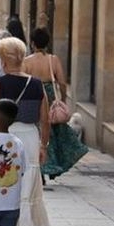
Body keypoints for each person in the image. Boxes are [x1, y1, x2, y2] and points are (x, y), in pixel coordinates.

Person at [0, 37, 50, 226]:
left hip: (6, 136)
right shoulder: (36, 84)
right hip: (30, 137)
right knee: (26, 184)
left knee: (6, 183)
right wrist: (43, 145)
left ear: (3, 60)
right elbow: (45, 118)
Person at [23, 27, 88, 180]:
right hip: (50, 97)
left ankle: (41, 166)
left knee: (37, 130)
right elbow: (62, 83)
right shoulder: (53, 60)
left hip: (34, 95)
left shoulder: (27, 62)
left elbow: (24, 80)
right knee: (53, 132)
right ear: (47, 43)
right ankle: (51, 166)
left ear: (32, 43)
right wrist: (63, 99)